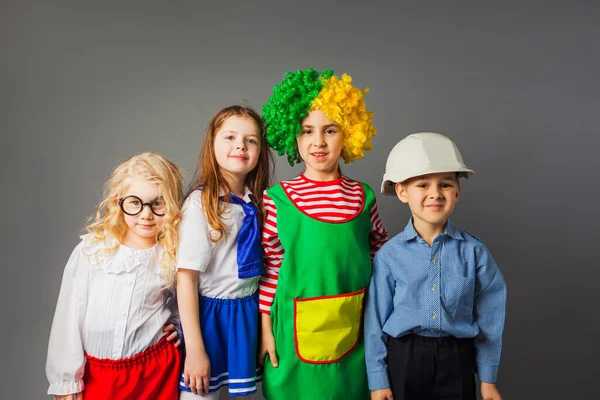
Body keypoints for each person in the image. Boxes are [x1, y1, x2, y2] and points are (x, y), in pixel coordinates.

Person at [258, 68, 388, 400]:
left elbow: (381, 262)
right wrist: (265, 331)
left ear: (349, 135)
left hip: (355, 332)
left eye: (330, 130)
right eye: (307, 131)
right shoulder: (278, 200)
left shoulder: (364, 196)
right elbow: (270, 269)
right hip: (292, 332)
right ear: (293, 136)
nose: (318, 142)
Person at [365, 132, 507, 400]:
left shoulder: (474, 252)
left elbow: (490, 317)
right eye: (422, 185)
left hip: (457, 360)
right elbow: (375, 322)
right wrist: (377, 380)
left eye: (444, 184)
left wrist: (487, 379)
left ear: (457, 191)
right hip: (404, 357)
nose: (435, 194)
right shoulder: (389, 256)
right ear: (402, 191)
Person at [46, 152, 184, 400]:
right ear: (119, 202)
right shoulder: (93, 250)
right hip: (99, 375)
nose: (146, 214)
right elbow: (69, 315)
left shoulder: (171, 255)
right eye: (135, 203)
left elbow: (184, 302)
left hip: (155, 372)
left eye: (158, 203)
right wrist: (65, 382)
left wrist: (179, 328)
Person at [177, 105, 274, 399]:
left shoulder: (257, 202)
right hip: (208, 316)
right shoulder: (200, 205)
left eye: (251, 140)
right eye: (230, 137)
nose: (240, 146)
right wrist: (194, 348)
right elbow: (186, 278)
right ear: (213, 143)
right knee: (199, 391)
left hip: (245, 312)